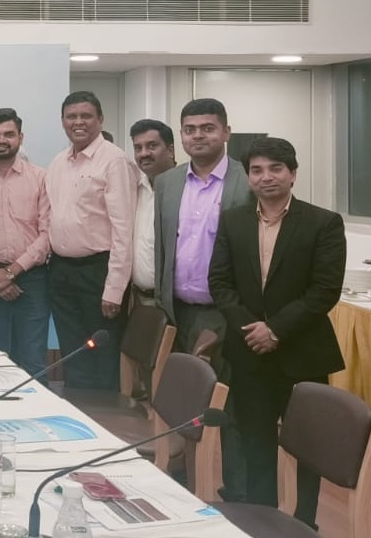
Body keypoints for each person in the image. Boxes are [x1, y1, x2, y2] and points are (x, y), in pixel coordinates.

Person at [208, 137, 345, 528]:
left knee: (308, 446)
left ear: (293, 174)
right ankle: (263, 519)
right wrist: (252, 330)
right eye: (256, 170)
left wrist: (276, 330)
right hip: (249, 350)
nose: (265, 177)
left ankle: (305, 523)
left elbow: (324, 290)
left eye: (275, 169)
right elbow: (220, 282)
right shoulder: (233, 220)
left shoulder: (323, 222)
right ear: (248, 177)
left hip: (303, 352)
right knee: (256, 441)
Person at [154, 97, 251, 502]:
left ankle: (238, 494)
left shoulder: (247, 181)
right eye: (190, 129)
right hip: (179, 312)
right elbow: (165, 246)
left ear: (226, 132)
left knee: (231, 407)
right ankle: (184, 485)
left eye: (208, 128)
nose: (198, 136)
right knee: (184, 403)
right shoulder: (168, 183)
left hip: (228, 314)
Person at [45, 91, 137, 390]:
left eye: (86, 116)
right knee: (73, 351)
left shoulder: (114, 161)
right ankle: (78, 407)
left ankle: (104, 412)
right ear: (62, 121)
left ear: (100, 120)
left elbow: (123, 229)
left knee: (102, 353)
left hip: (98, 271)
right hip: (61, 271)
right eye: (71, 116)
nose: (78, 122)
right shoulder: (58, 162)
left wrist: (115, 289)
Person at [0, 108, 52, 380]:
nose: (1, 140)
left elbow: (47, 234)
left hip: (32, 279)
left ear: (20, 137)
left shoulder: (41, 177)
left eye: (8, 134)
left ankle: (38, 408)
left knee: (33, 360)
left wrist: (12, 272)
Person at [128, 119, 177, 308]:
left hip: (176, 303)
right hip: (138, 300)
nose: (144, 153)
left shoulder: (187, 189)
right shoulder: (134, 189)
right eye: (138, 148)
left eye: (152, 146)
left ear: (170, 150)